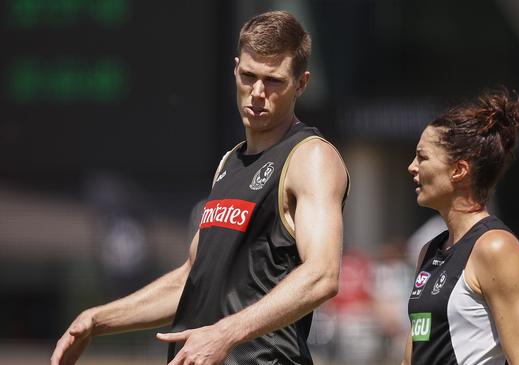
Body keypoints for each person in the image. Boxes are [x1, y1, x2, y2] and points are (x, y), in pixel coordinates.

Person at [51, 10, 349, 365]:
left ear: (301, 84)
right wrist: (96, 319)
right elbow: (188, 282)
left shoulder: (311, 156)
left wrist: (225, 333)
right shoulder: (229, 163)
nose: (256, 93)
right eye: (248, 76)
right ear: (235, 69)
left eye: (273, 81)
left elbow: (322, 274)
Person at [402, 88, 519, 365]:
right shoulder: (429, 251)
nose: (411, 167)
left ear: (458, 171)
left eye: (423, 157)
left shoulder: (496, 248)